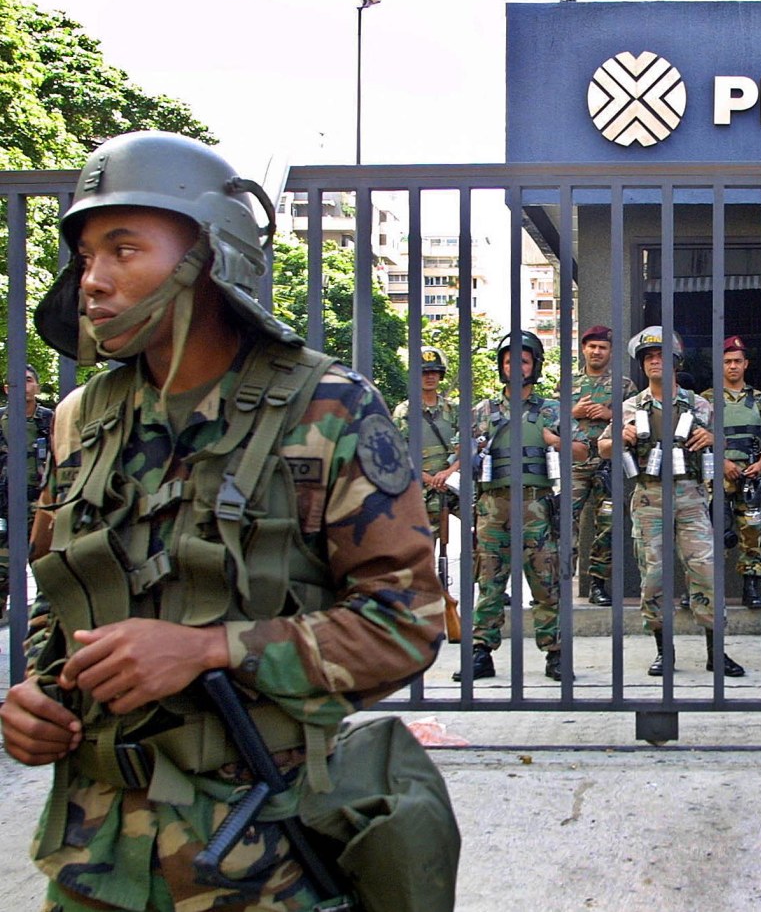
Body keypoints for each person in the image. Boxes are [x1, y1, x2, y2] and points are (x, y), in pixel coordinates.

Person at [0, 131, 447, 911]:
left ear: (206, 258)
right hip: (93, 853)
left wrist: (210, 648)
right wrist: (39, 696)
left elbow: (404, 626)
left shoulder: (328, 410)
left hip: (258, 858)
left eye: (122, 247)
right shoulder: (81, 419)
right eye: (85, 256)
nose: (93, 280)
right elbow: (62, 597)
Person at [597, 325, 747, 677]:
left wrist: (712, 438)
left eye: (661, 356)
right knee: (655, 576)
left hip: (691, 496)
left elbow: (722, 447)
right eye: (648, 357)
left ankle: (717, 652)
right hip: (649, 498)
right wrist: (619, 436)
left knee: (706, 573)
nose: (654, 362)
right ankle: (665, 652)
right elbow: (603, 448)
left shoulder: (699, 404)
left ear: (675, 362)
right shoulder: (632, 405)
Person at [453, 330, 585, 683]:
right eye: (509, 360)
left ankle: (555, 654)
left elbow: (583, 450)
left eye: (522, 361)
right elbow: (460, 455)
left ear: (534, 367)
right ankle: (480, 653)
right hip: (492, 507)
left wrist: (556, 441)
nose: (515, 366)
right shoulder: (482, 411)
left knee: (546, 583)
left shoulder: (551, 411)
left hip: (536, 507)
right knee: (489, 581)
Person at [567, 325, 635, 606]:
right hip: (575, 466)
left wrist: (610, 414)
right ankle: (558, 583)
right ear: (583, 348)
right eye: (592, 346)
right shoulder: (566, 385)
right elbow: (548, 422)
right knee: (562, 523)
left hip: (609, 466)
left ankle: (597, 583)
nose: (596, 351)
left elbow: (638, 421)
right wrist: (573, 412)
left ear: (610, 352)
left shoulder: (625, 386)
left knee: (607, 525)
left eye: (602, 347)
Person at [702, 335, 761, 609]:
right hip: (716, 477)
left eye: (737, 361)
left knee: (752, 533)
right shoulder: (705, 400)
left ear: (746, 364)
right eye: (727, 361)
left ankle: (751, 586)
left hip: (751, 475)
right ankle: (704, 589)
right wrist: (721, 463)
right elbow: (696, 437)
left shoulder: (760, 399)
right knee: (708, 534)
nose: (733, 366)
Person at [0, 365, 54, 621]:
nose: (24, 386)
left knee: (48, 572)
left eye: (29, 380)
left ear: (37, 387)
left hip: (41, 506)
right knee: (2, 574)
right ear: (6, 389)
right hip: (5, 509)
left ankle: (45, 635)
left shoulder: (51, 420)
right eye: (17, 382)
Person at [392, 346, 459, 545]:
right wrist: (429, 479)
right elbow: (397, 454)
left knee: (482, 530)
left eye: (434, 372)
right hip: (420, 489)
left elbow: (468, 445)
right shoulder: (404, 411)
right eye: (424, 372)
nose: (429, 377)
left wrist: (449, 473)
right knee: (422, 549)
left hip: (454, 485)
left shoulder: (453, 409)